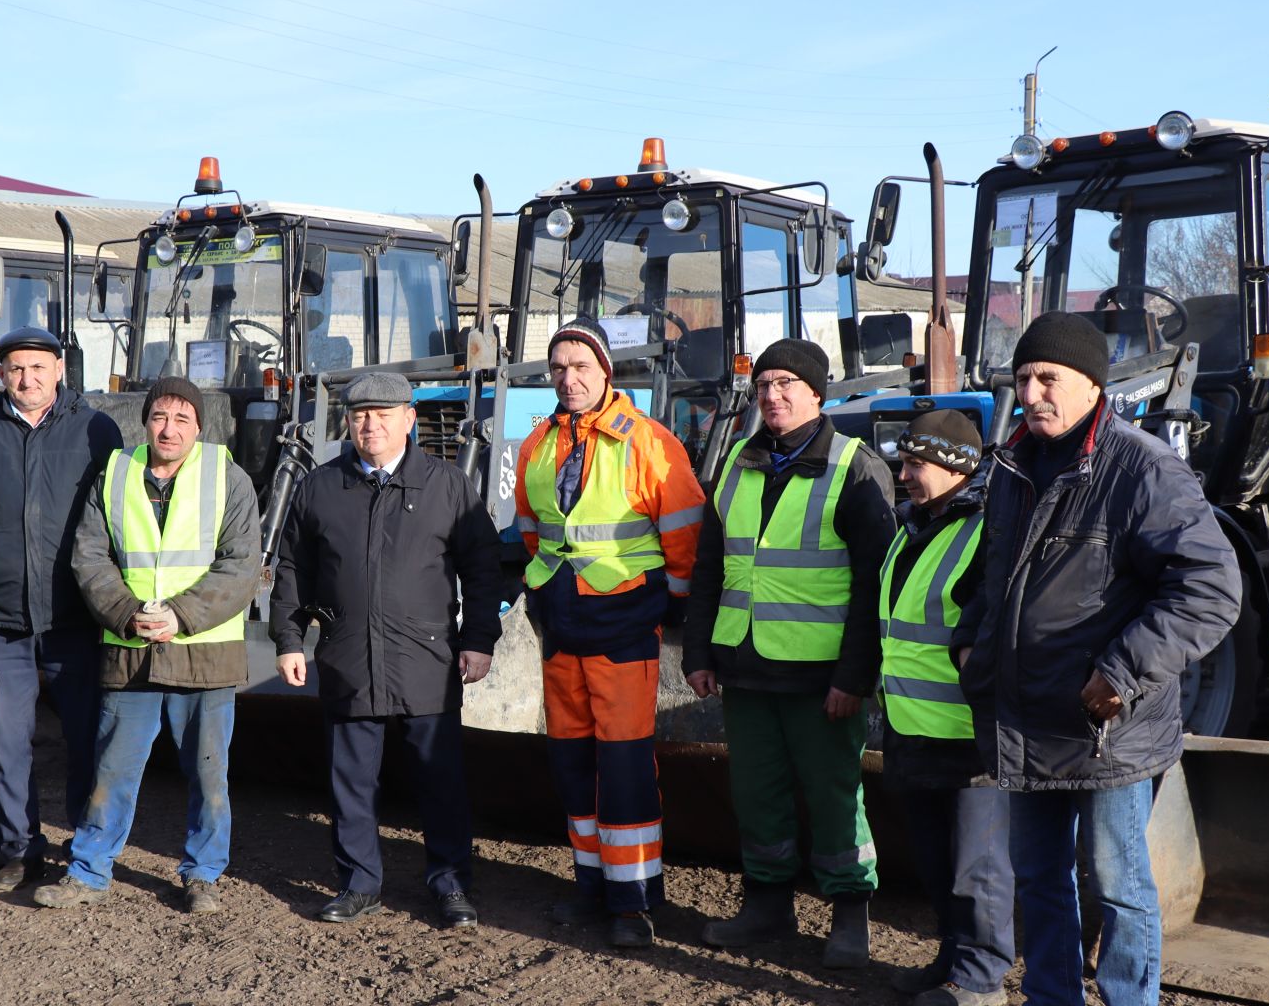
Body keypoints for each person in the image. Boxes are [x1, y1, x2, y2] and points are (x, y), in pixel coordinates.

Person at [958, 311, 1239, 1006]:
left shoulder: (1143, 470)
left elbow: (1212, 590)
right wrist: (972, 642)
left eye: (1048, 377)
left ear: (1092, 383)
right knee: (1038, 876)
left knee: (1117, 882)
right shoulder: (1013, 468)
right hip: (1026, 716)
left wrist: (1120, 671)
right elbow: (994, 581)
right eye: (1023, 378)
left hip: (1105, 722)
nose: (1032, 391)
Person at [683, 338, 895, 967]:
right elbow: (709, 568)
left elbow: (874, 587)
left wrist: (854, 676)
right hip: (744, 669)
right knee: (757, 792)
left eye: (786, 384)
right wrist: (698, 652)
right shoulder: (739, 464)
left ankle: (850, 913)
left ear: (816, 394)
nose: (771, 396)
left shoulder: (855, 469)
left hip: (821, 677)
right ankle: (766, 905)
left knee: (834, 794)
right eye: (764, 385)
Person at [269, 371, 501, 928]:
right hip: (348, 658)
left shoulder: (446, 486)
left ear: (408, 419)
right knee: (350, 781)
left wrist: (478, 641)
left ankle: (449, 885)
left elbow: (482, 570)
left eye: (381, 414)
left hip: (428, 658)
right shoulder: (321, 486)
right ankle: (358, 884)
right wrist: (291, 637)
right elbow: (294, 569)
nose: (368, 425)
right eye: (357, 415)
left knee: (439, 779)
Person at [513, 319, 706, 949]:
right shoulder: (537, 444)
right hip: (561, 624)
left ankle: (635, 901)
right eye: (558, 368)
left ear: (606, 372)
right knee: (572, 763)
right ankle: (590, 885)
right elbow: (532, 527)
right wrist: (542, 595)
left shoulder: (648, 441)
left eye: (581, 367)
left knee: (622, 765)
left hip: (624, 623)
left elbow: (684, 535)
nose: (569, 380)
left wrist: (670, 607)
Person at [40, 377, 260, 914]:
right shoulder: (114, 475)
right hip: (131, 647)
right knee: (112, 769)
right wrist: (128, 614)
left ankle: (202, 875)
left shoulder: (228, 480)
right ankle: (89, 869)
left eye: (183, 419)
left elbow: (241, 566)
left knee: (209, 773)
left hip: (203, 655)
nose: (170, 428)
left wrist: (179, 616)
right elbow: (89, 557)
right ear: (146, 421)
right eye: (161, 417)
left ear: (199, 428)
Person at [0, 326, 123, 891]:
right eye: (16, 368)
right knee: (7, 739)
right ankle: (21, 846)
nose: (28, 378)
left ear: (60, 370)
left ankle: (87, 848)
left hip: (77, 617)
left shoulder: (96, 430)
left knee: (89, 738)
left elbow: (117, 523)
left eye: (38, 367)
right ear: (1, 375)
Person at [877, 410, 1014, 1006]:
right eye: (903, 462)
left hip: (966, 736)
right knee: (936, 862)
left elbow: (988, 625)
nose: (903, 475)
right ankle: (953, 956)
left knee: (976, 868)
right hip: (912, 727)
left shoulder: (984, 529)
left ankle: (983, 975)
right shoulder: (914, 527)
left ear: (956, 468)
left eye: (915, 465)